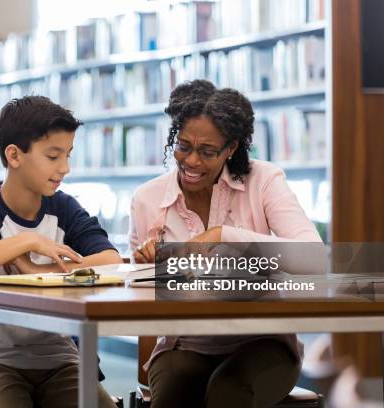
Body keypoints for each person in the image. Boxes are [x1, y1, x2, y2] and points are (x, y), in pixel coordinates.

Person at [129, 80, 322, 407]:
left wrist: (225, 236)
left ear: (231, 147)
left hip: (265, 342)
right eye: (183, 146)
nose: (191, 161)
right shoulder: (147, 199)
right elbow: (141, 291)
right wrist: (146, 266)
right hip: (184, 343)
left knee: (227, 392)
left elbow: (315, 260)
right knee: (173, 396)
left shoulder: (264, 180)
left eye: (207, 152)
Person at [0, 96, 121, 408]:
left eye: (67, 155)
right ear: (14, 155)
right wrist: (25, 242)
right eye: (53, 156)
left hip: (59, 359)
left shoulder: (64, 207)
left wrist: (41, 272)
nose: (64, 168)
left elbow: (110, 260)